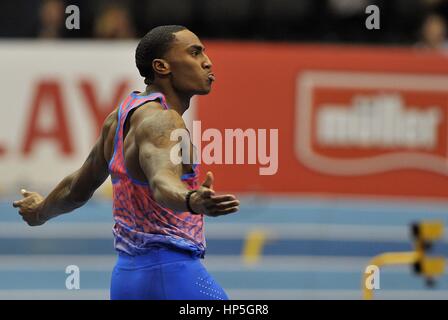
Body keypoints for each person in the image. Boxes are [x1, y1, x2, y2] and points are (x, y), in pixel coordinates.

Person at [12, 25, 240, 300]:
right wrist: (191, 199)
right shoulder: (164, 121)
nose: (207, 61)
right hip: (171, 274)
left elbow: (77, 188)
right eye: (195, 52)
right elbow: (161, 181)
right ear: (162, 66)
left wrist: (39, 213)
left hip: (127, 278)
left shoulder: (119, 117)